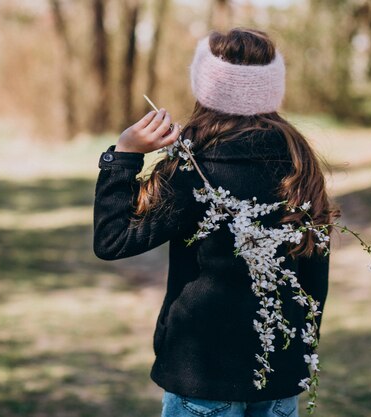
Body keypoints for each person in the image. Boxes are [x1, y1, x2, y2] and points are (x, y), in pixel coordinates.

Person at [92, 27, 339, 417]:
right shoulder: (299, 165)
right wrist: (298, 357)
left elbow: (113, 240)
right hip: (277, 373)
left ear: (203, 86)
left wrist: (123, 157)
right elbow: (314, 277)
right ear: (272, 89)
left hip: (201, 372)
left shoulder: (193, 170)